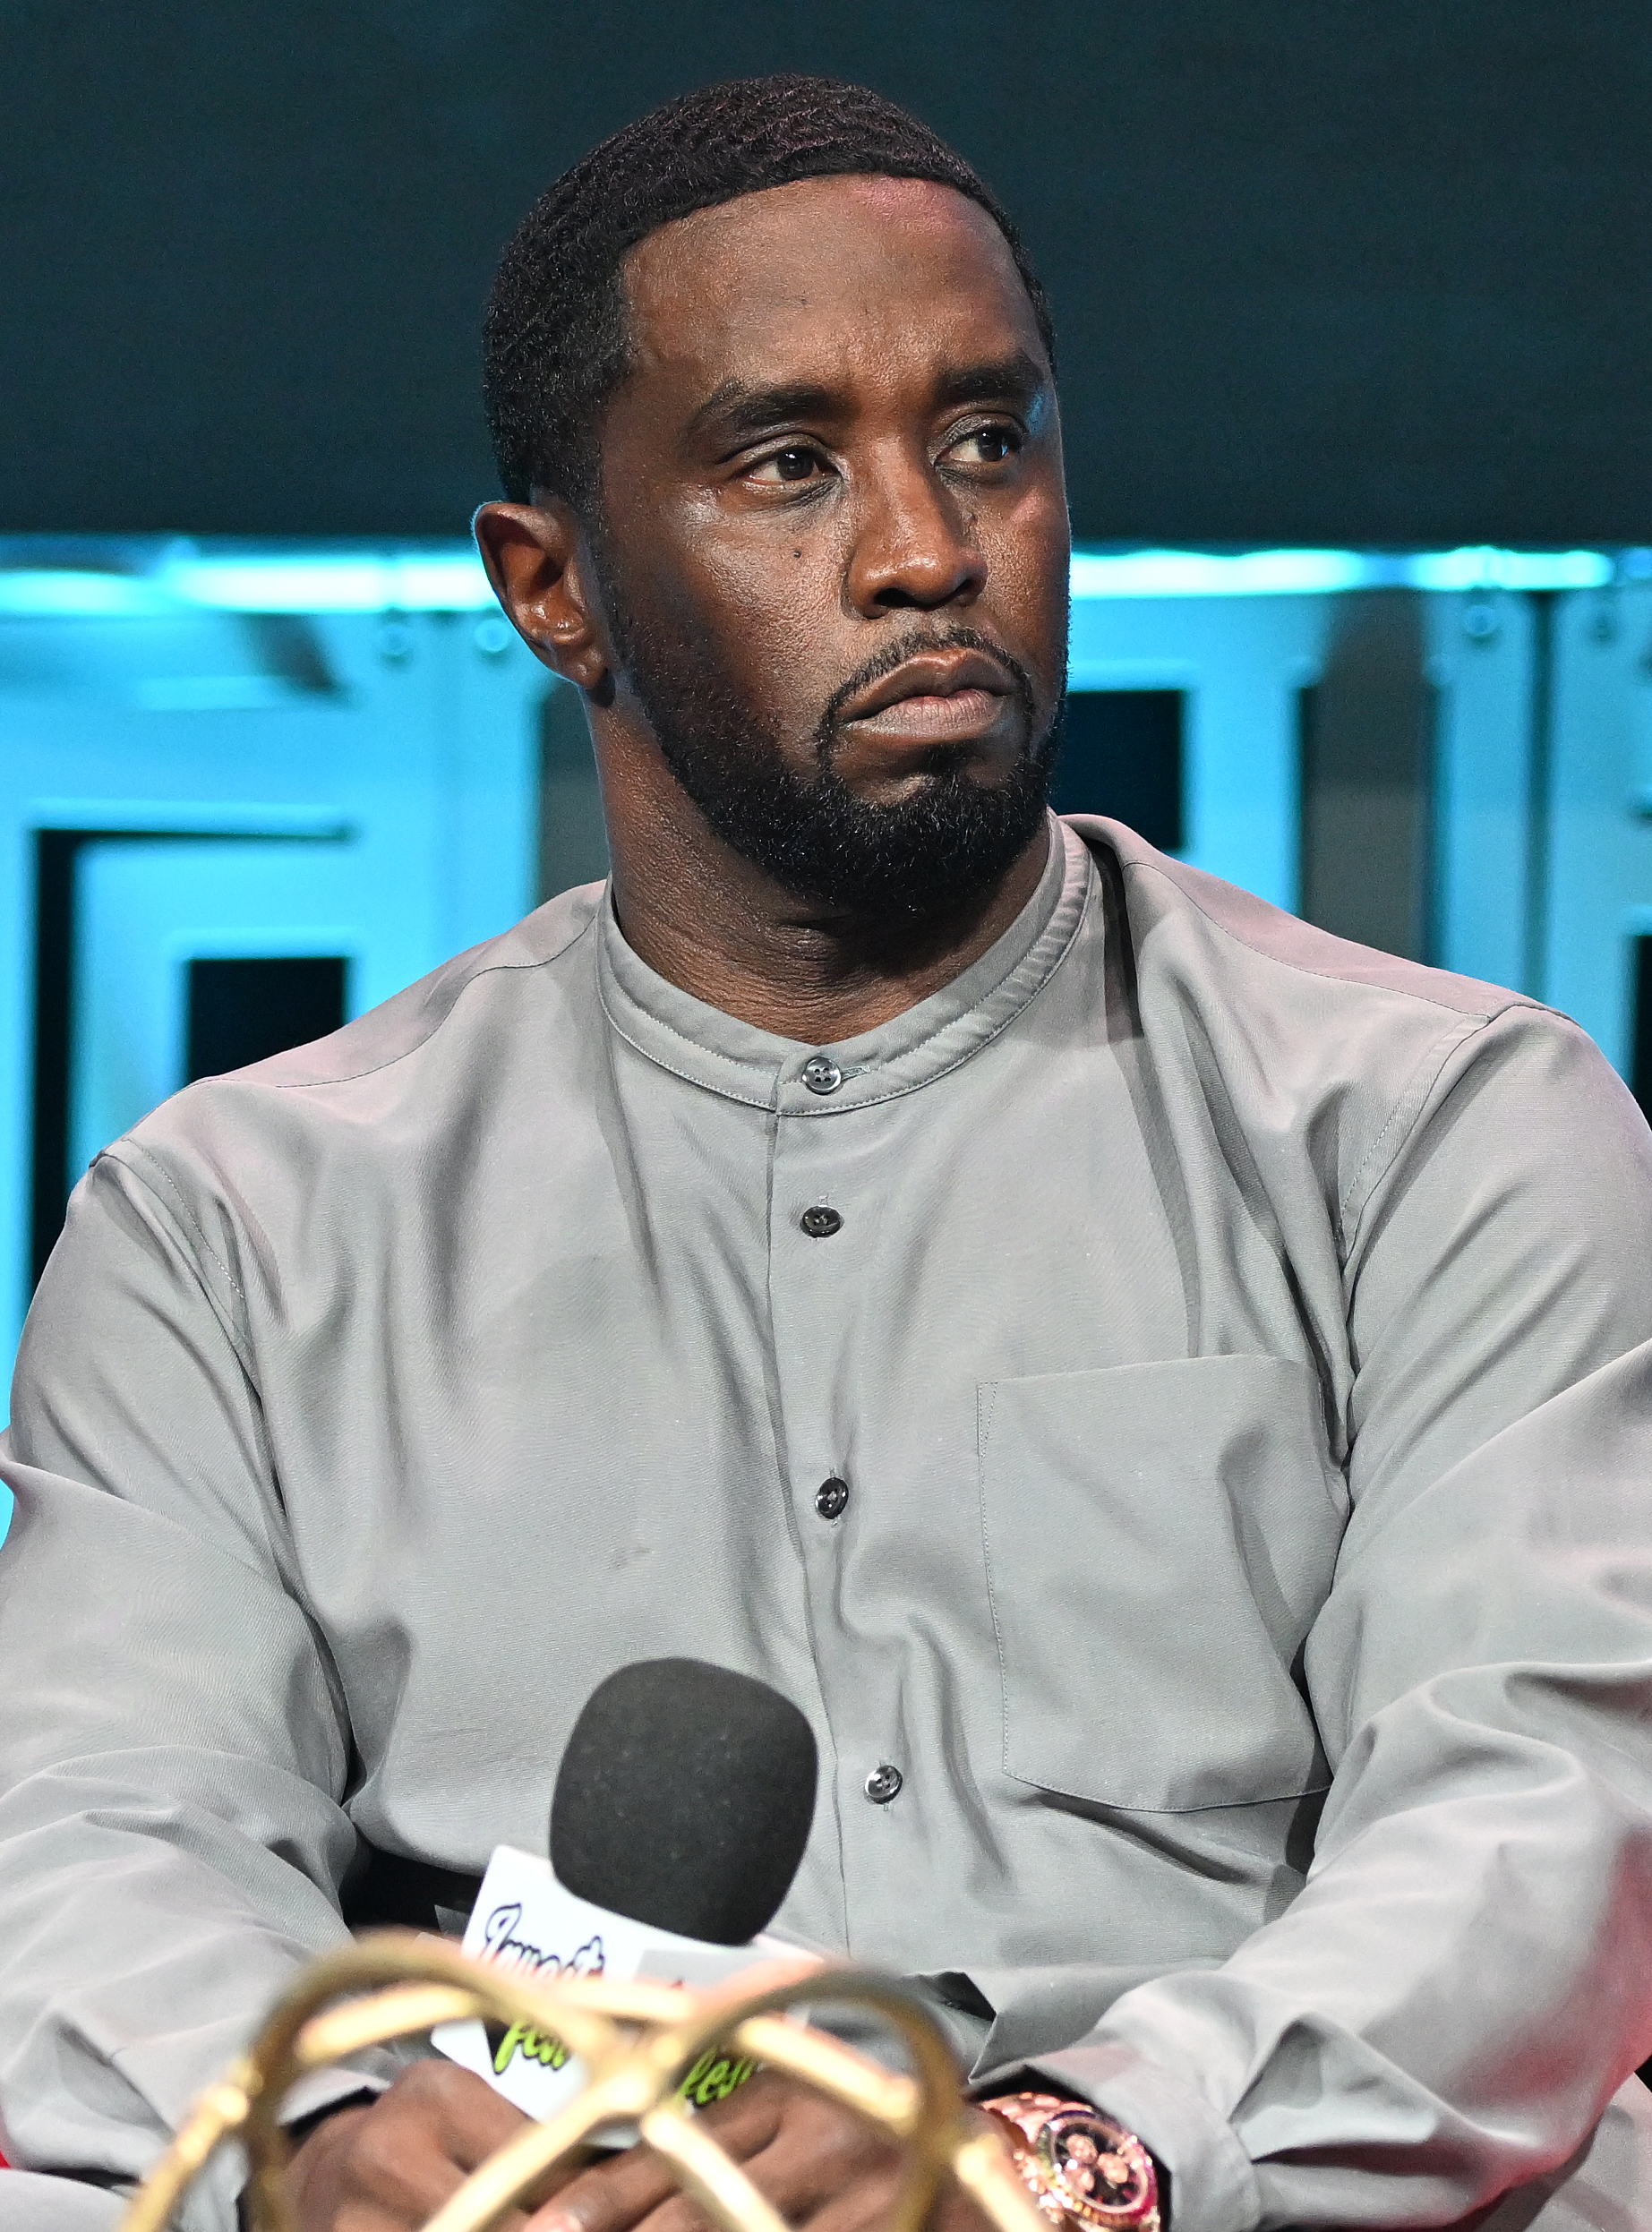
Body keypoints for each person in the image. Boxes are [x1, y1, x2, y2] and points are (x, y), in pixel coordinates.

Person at [3, 71, 1652, 2232]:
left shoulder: (1438, 1123)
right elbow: (95, 1828)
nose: (923, 550)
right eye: (788, 465)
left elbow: (1535, 1806)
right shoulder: (237, 1221)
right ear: (551, 585)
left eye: (989, 439)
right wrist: (318, 2137)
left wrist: (1031, 2163)